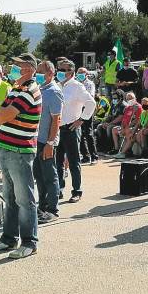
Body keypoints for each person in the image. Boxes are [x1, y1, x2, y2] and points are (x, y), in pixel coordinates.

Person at [0, 53, 42, 259]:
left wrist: (3, 113)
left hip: (20, 150)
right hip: (6, 146)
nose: (13, 68)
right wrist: (2, 112)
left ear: (29, 69)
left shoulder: (28, 92)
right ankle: (9, 238)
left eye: (18, 65)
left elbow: (2, 116)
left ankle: (29, 241)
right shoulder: (16, 89)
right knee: (9, 197)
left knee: (24, 199)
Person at [56, 59, 96, 203]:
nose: (59, 72)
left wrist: (81, 120)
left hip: (70, 128)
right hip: (57, 128)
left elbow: (91, 103)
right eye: (58, 69)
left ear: (71, 72)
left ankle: (76, 191)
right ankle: (59, 189)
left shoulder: (77, 87)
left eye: (63, 69)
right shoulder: (57, 85)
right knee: (58, 161)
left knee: (73, 162)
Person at [33, 61, 63, 223]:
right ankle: (42, 206)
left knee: (50, 176)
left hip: (47, 141)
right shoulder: (40, 89)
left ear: (50, 74)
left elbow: (56, 120)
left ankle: (52, 209)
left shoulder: (54, 92)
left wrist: (50, 143)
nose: (37, 75)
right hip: (37, 140)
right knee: (39, 175)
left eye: (40, 72)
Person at [76, 67, 98, 164]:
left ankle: (94, 156)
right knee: (80, 133)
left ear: (86, 74)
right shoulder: (76, 83)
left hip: (86, 109)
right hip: (77, 109)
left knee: (88, 133)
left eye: (82, 73)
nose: (80, 74)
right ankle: (85, 156)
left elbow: (90, 97)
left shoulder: (90, 84)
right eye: (78, 72)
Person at [111, 92, 140, 159]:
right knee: (114, 129)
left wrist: (126, 127)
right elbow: (123, 119)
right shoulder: (127, 108)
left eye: (131, 98)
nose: (129, 100)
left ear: (135, 98)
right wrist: (122, 127)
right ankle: (116, 149)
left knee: (128, 132)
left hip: (133, 128)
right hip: (125, 127)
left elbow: (136, 121)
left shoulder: (138, 107)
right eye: (128, 99)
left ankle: (123, 152)